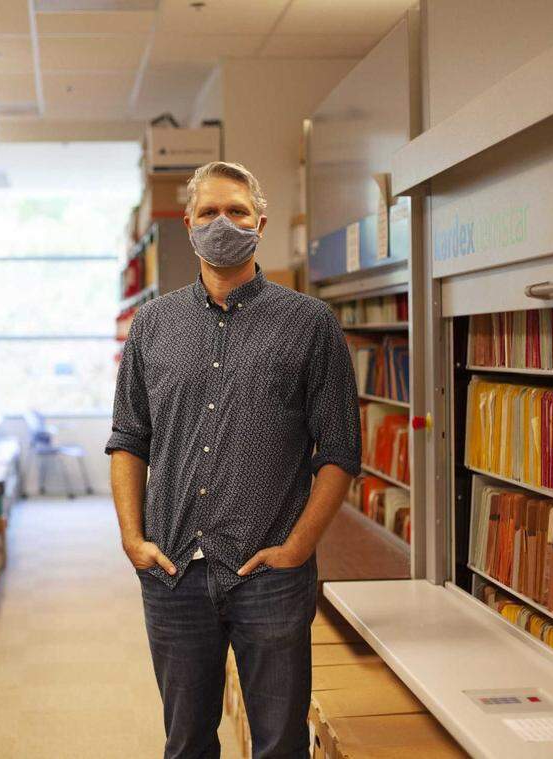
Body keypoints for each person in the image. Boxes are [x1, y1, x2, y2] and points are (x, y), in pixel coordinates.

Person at [107, 161, 361, 758]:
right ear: (189, 225)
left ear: (260, 223)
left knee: (278, 745)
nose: (224, 223)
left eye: (237, 212)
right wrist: (131, 537)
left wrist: (298, 547)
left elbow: (341, 451)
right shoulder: (152, 326)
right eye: (209, 213)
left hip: (269, 573)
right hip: (173, 570)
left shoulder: (309, 325)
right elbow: (127, 439)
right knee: (187, 742)